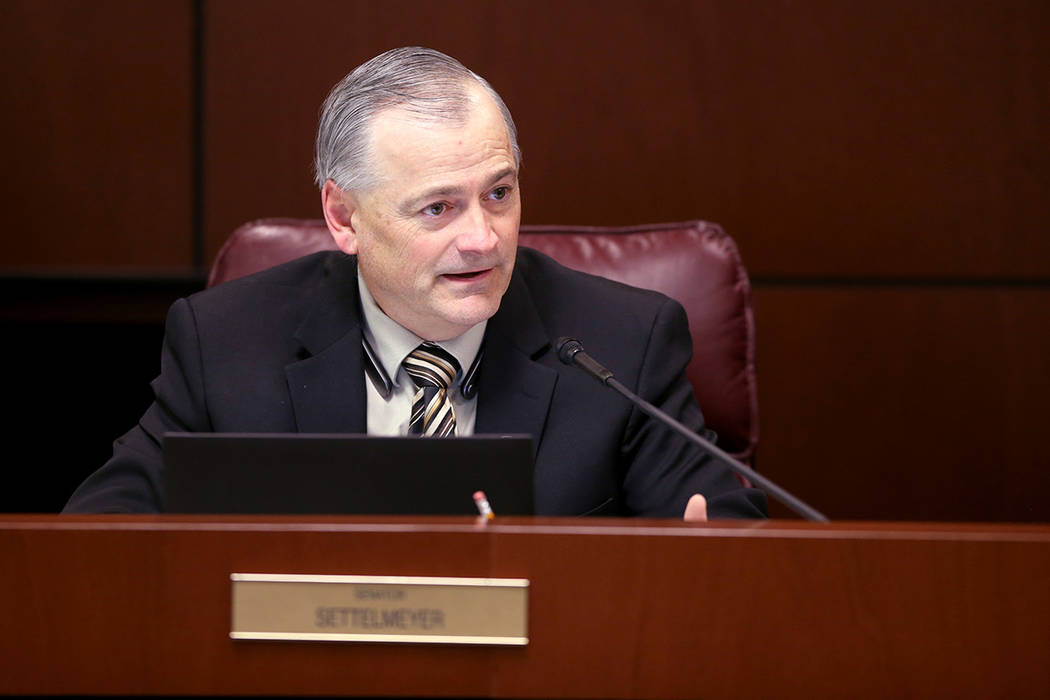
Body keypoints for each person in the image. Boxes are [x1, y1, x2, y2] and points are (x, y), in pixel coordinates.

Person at [63, 47, 766, 520]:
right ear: (344, 217)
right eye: (438, 207)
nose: (482, 239)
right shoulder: (228, 341)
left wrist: (707, 560)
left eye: (499, 194)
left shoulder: (621, 344)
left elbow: (718, 532)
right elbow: (106, 527)